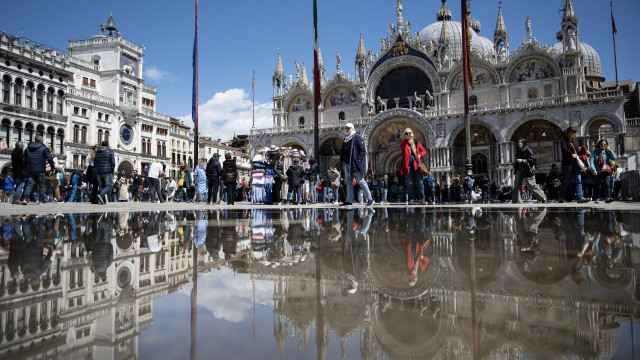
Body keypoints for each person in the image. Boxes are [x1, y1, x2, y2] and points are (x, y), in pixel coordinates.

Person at [340, 123, 374, 210]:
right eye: (346, 128)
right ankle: (349, 200)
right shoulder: (346, 139)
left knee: (361, 181)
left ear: (353, 128)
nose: (347, 130)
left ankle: (370, 199)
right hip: (347, 164)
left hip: (355, 164)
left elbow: (362, 150)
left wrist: (358, 160)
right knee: (349, 182)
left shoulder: (357, 137)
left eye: (349, 128)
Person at [558, 126, 589, 203]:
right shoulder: (563, 141)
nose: (576, 135)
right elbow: (564, 149)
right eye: (575, 133)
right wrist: (571, 154)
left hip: (575, 163)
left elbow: (577, 151)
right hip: (567, 164)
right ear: (570, 133)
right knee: (566, 181)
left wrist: (584, 152)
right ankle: (561, 197)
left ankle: (580, 197)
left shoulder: (573, 142)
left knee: (578, 180)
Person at [22, 135, 56, 205]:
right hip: (40, 168)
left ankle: (25, 199)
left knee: (29, 184)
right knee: (41, 185)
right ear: (41, 140)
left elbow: (24, 159)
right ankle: (41, 200)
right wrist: (53, 167)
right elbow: (49, 158)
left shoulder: (28, 148)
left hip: (30, 168)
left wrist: (24, 169)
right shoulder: (44, 148)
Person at [512, 138, 546, 203]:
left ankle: (542, 197)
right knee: (517, 184)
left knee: (531, 185)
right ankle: (517, 200)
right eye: (518, 142)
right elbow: (518, 161)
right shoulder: (518, 151)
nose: (519, 143)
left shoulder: (528, 150)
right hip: (519, 169)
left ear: (524, 143)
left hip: (527, 170)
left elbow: (533, 159)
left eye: (521, 142)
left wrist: (523, 160)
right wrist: (514, 164)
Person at [399, 128, 427, 205]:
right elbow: (402, 145)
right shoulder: (403, 143)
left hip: (416, 165)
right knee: (409, 183)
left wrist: (419, 155)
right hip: (407, 166)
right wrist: (406, 138)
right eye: (407, 133)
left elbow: (423, 151)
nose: (409, 135)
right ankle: (411, 199)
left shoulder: (416, 142)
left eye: (410, 133)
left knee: (420, 182)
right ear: (404, 135)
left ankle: (422, 198)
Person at [589, 139, 616, 203]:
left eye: (605, 144)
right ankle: (597, 197)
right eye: (601, 144)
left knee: (607, 183)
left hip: (606, 171)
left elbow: (614, 158)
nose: (603, 145)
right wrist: (593, 169)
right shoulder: (595, 152)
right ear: (599, 145)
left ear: (607, 145)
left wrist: (610, 150)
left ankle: (607, 197)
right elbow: (591, 161)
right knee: (597, 185)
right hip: (598, 171)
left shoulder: (607, 152)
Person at [93, 140, 115, 204]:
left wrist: (97, 169)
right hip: (107, 171)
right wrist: (112, 170)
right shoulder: (109, 152)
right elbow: (113, 162)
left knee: (101, 185)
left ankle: (102, 200)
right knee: (109, 185)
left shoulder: (97, 152)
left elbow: (95, 162)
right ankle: (101, 195)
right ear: (107, 145)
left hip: (99, 171)